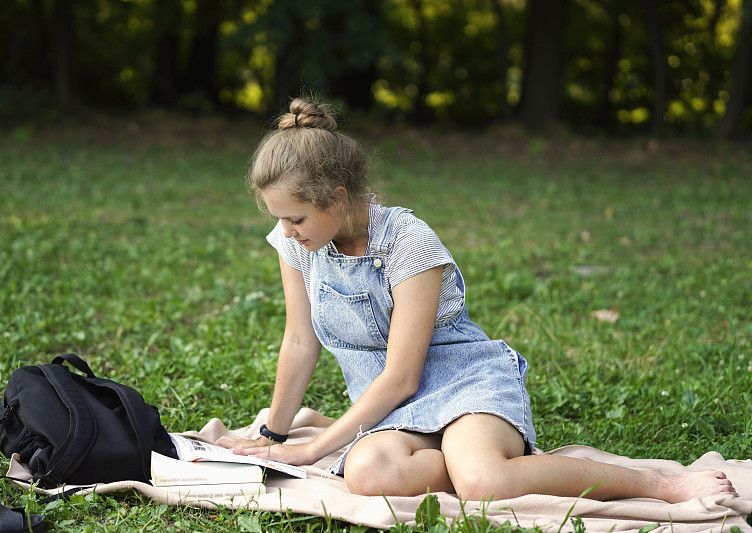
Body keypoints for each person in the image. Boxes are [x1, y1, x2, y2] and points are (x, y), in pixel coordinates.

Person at [217, 97, 738, 503]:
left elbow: (403, 375)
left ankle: (660, 487)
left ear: (337, 196)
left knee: (486, 483)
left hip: (462, 383)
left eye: (296, 218)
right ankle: (454, 459)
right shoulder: (296, 245)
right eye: (277, 219)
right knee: (369, 473)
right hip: (391, 411)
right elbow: (299, 339)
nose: (286, 231)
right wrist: (272, 436)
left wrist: (312, 449)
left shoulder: (407, 241)